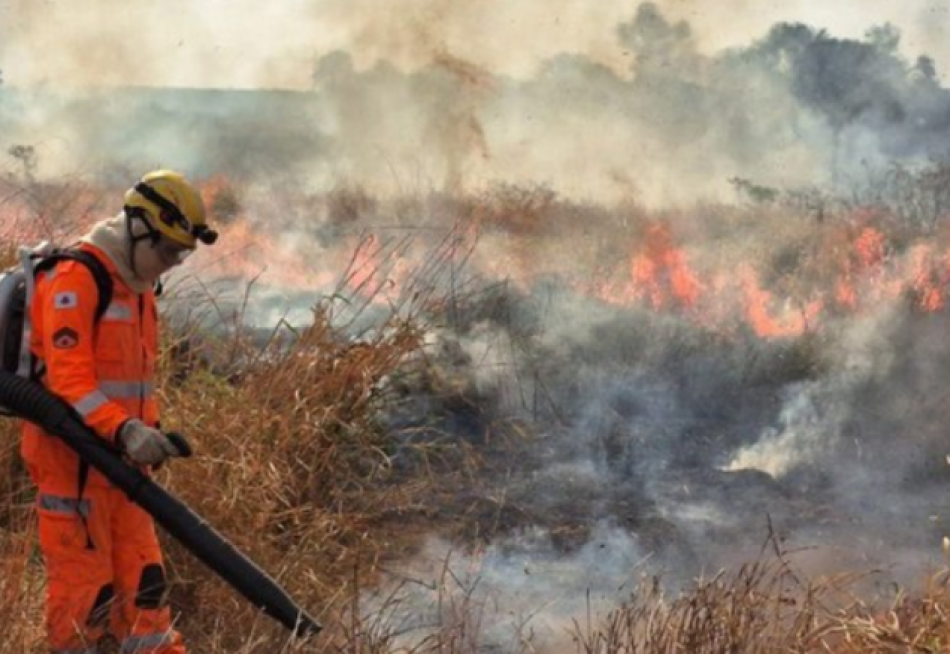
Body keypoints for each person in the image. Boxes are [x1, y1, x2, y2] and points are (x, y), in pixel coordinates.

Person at [21, 170, 218, 654]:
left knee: (146, 590)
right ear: (137, 227)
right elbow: (69, 382)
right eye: (168, 251)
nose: (173, 263)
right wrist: (126, 430)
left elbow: (131, 384)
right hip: (74, 471)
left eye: (182, 254)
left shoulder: (139, 287)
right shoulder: (76, 279)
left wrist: (145, 436)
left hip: (126, 471)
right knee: (85, 600)